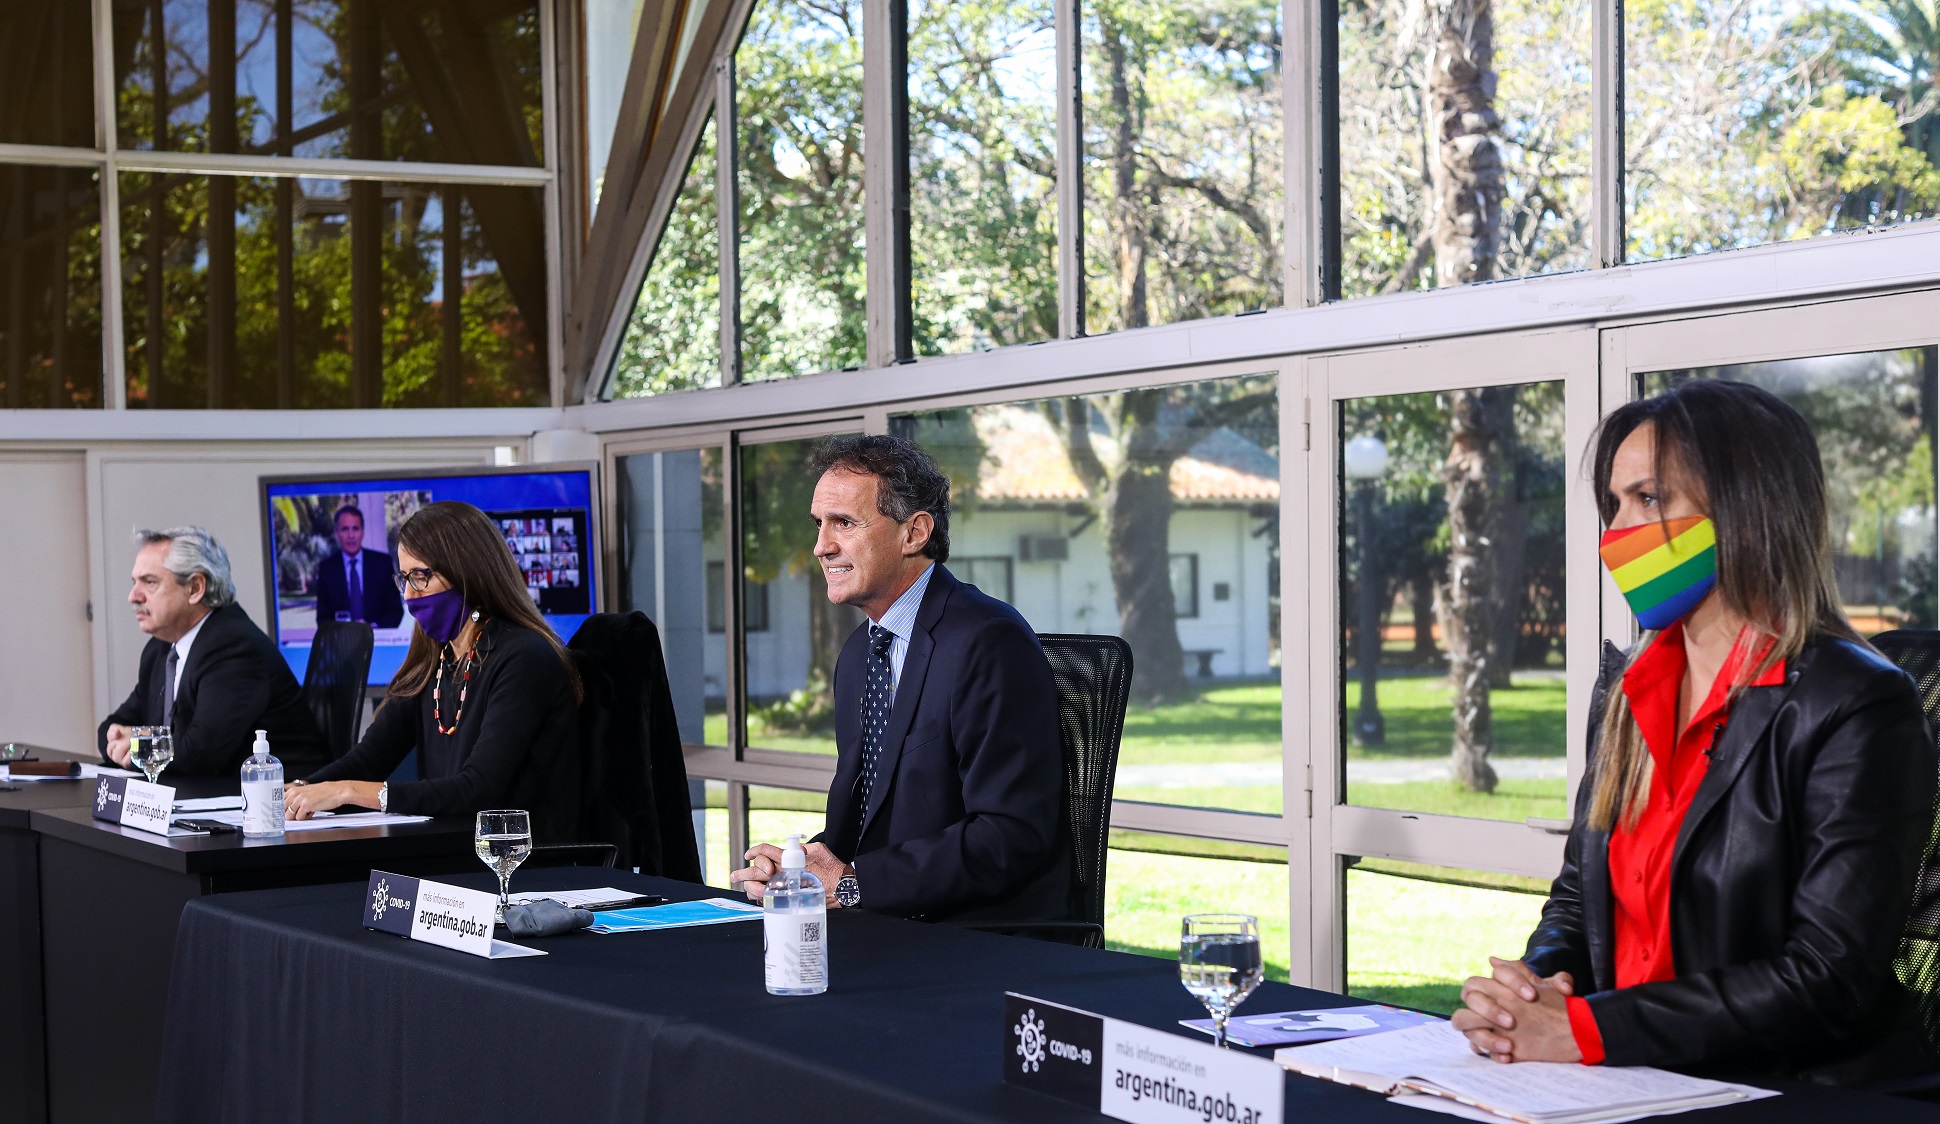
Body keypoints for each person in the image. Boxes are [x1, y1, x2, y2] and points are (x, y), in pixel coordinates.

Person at [1454, 380, 1936, 1083]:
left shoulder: (1858, 703)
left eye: (1649, 499)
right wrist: (1532, 998)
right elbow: (1580, 902)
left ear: (1747, 508)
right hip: (1636, 1076)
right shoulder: (1627, 692)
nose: (1618, 533)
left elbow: (1828, 977)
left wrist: (1587, 1029)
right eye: (1614, 504)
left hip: (1787, 1091)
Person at [730, 435, 1072, 924]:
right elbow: (869, 820)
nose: (821, 546)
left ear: (914, 532)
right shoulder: (859, 654)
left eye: (844, 523)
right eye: (819, 524)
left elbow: (1009, 835)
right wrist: (801, 868)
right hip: (888, 921)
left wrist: (851, 886)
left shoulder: (989, 640)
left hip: (977, 938)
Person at [288, 500, 582, 838]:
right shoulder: (435, 658)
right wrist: (298, 790)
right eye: (404, 579)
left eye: (420, 576)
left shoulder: (523, 657)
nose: (410, 595)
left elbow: (479, 788)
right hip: (455, 855)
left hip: (523, 866)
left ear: (465, 573)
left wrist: (350, 791)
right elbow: (368, 760)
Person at [99, 527, 327, 777]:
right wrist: (119, 738)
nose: (134, 596)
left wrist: (137, 746)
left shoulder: (234, 648)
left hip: (280, 804)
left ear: (195, 588)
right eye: (135, 583)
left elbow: (200, 754)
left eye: (150, 582)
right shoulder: (161, 649)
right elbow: (110, 729)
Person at [313, 504, 405, 628]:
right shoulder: (327, 569)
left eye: (355, 528)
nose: (351, 535)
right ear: (336, 533)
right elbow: (322, 618)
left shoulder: (382, 564)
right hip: (342, 643)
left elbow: (395, 611)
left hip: (378, 639)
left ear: (362, 532)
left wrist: (374, 627)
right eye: (345, 529)